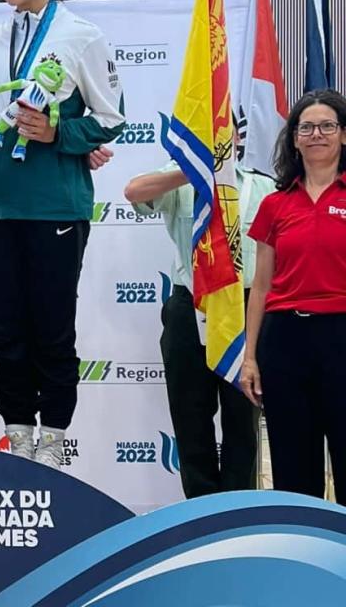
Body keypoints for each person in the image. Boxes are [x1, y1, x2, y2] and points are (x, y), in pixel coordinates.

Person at [0, 0, 126, 468]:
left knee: (52, 327)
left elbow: (111, 118)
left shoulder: (81, 34)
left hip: (54, 205)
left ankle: (55, 439)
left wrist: (61, 135)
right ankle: (17, 436)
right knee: (7, 329)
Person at [124, 148, 273, 498]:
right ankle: (200, 513)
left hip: (245, 307)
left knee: (242, 420)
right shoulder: (180, 178)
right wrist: (192, 171)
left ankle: (238, 514)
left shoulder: (261, 186)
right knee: (191, 417)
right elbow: (134, 192)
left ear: (235, 136)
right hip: (189, 305)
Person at [241, 89, 346, 505]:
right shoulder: (274, 204)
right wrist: (250, 357)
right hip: (285, 341)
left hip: (341, 336)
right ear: (295, 138)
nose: (316, 134)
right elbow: (261, 286)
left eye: (327, 126)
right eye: (306, 127)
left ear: (343, 135)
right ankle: (299, 559)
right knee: (292, 465)